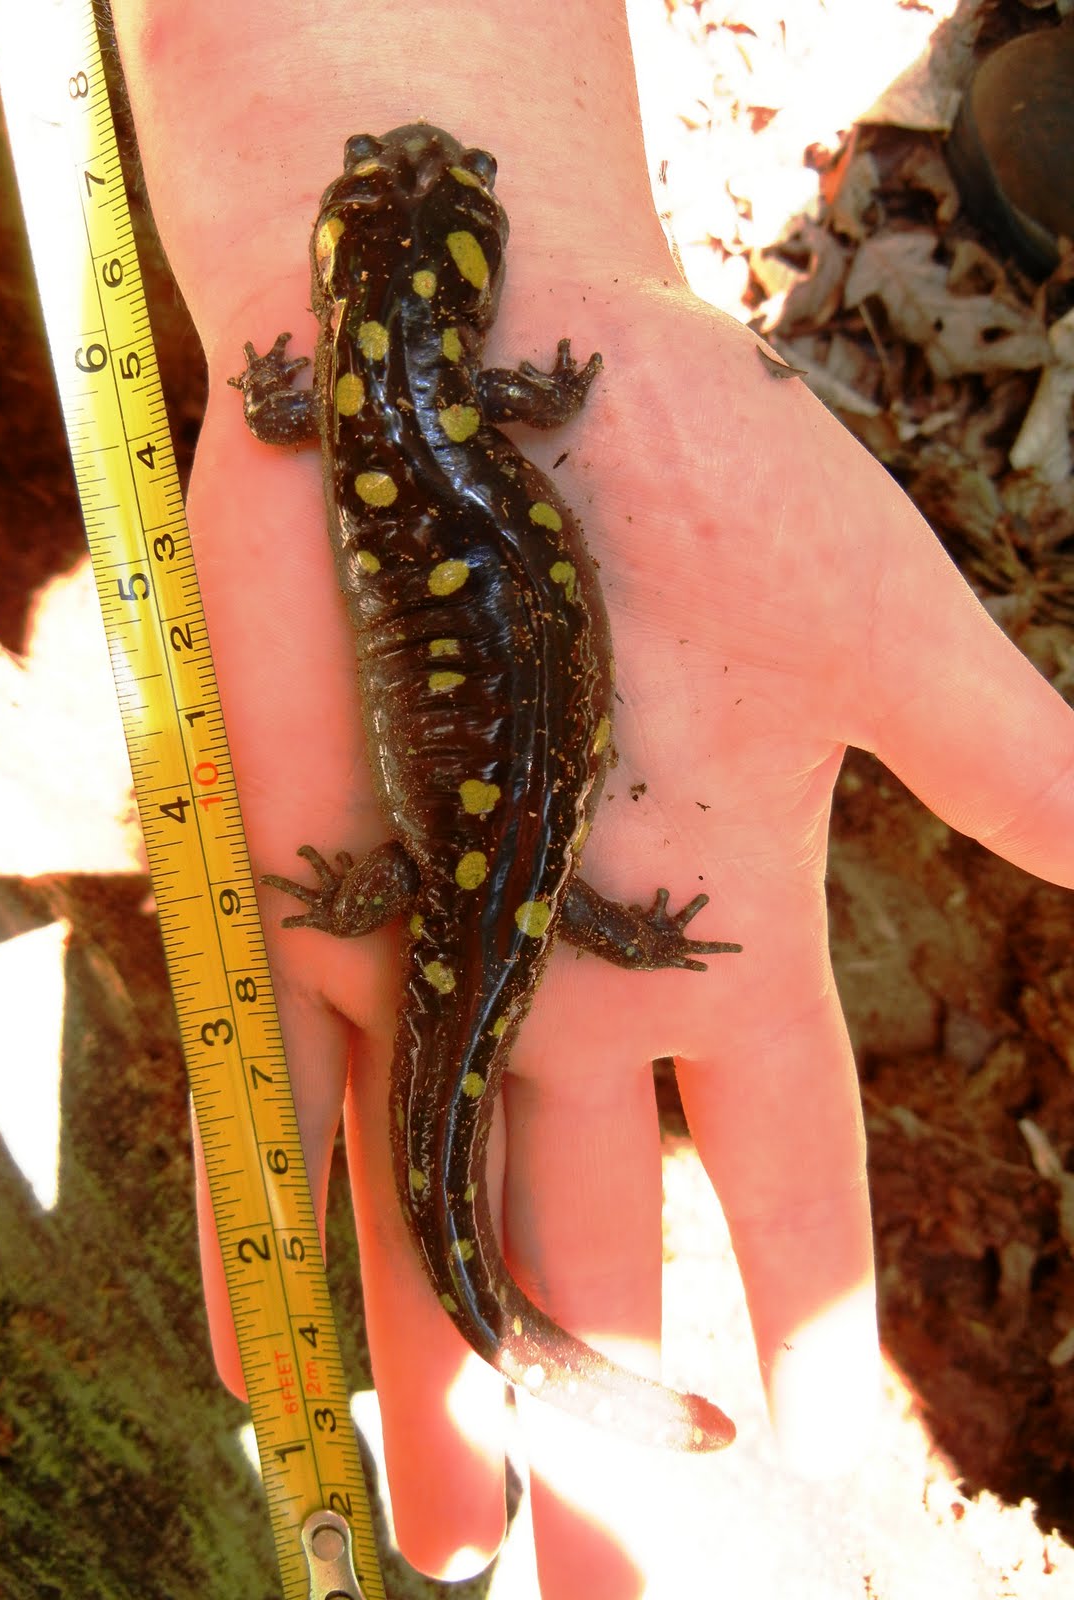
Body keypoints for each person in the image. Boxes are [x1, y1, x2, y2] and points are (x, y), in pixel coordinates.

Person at [111, 4, 1074, 1594]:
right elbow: (535, 398)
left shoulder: (337, 413)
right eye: (398, 175)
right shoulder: (476, 407)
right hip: (499, 845)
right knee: (484, 947)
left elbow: (297, 407)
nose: (414, 155)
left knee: (484, 963)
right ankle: (522, 1277)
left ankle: (527, 1250)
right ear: (457, 305)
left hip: (496, 846)